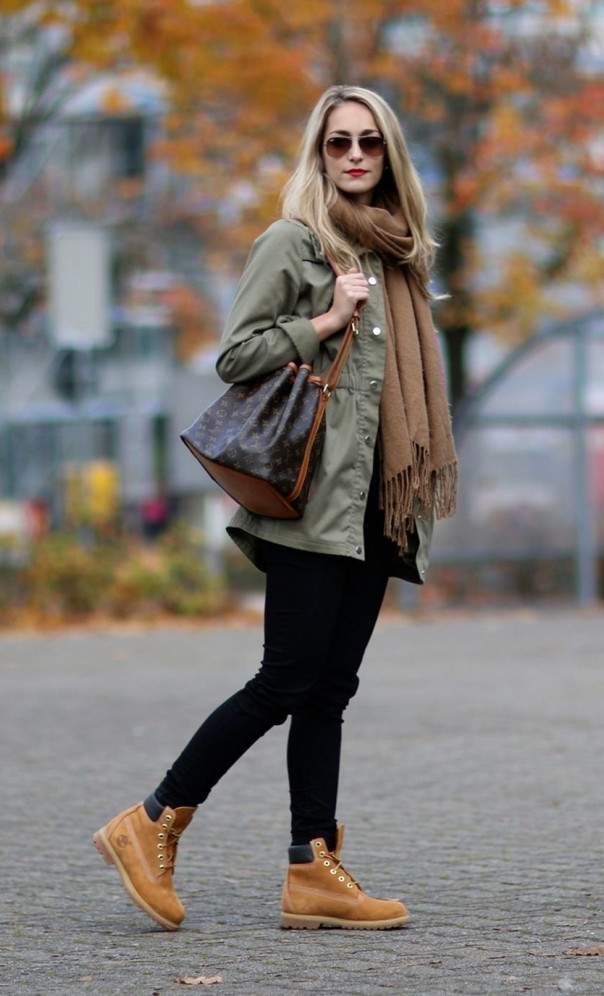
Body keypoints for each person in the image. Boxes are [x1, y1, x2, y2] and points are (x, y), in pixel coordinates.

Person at [93, 84, 458, 932]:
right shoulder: (296, 241)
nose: (355, 155)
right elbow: (237, 354)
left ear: (390, 153)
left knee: (330, 689)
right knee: (284, 680)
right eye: (339, 143)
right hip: (310, 502)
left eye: (369, 141)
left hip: (377, 506)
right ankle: (151, 820)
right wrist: (326, 319)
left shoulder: (400, 255)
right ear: (319, 155)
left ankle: (311, 868)